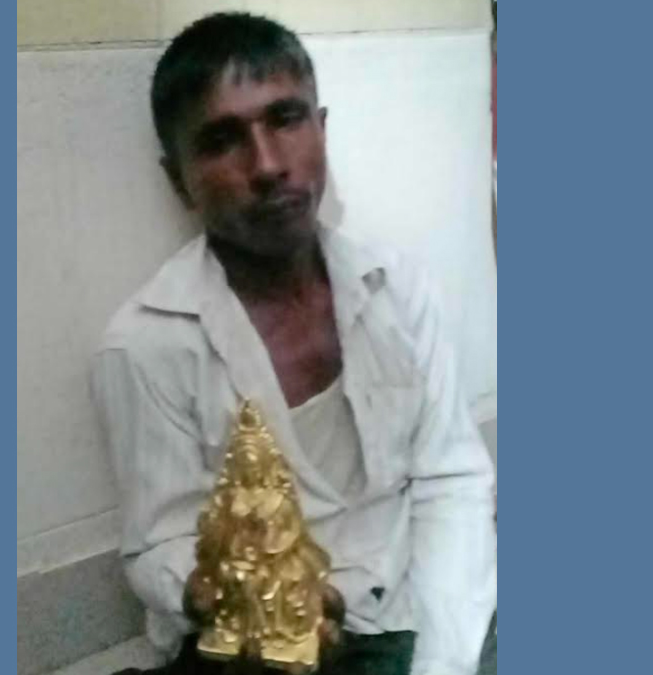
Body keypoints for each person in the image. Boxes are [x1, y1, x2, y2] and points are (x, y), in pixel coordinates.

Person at [91, 12, 496, 675]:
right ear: (178, 179)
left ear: (321, 129)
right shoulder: (148, 343)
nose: (268, 165)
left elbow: (450, 479)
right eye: (222, 140)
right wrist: (228, 591)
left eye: (285, 119)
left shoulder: (397, 289)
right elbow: (158, 543)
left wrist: (444, 661)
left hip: (403, 611)